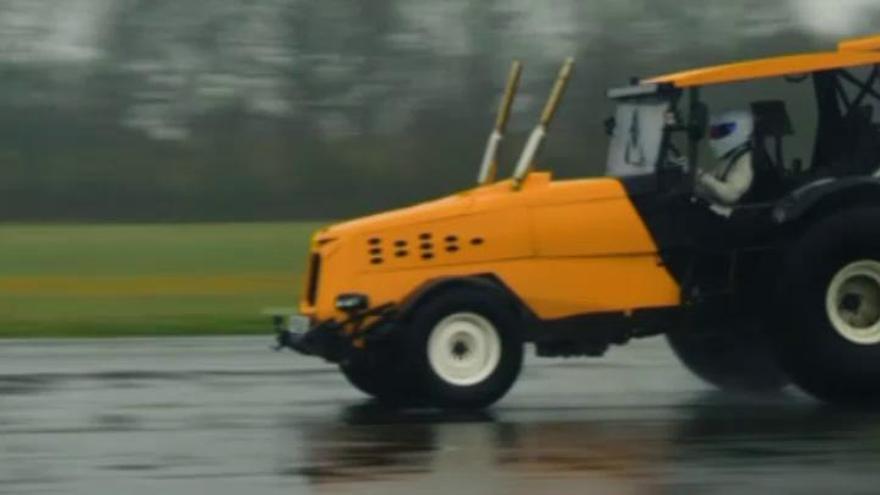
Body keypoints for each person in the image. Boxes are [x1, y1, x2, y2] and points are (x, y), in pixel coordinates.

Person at [695, 110, 755, 216]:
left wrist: (702, 177)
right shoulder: (731, 156)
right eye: (714, 132)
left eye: (721, 131)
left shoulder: (746, 160)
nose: (715, 136)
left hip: (733, 220)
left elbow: (730, 194)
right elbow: (712, 181)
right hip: (720, 213)